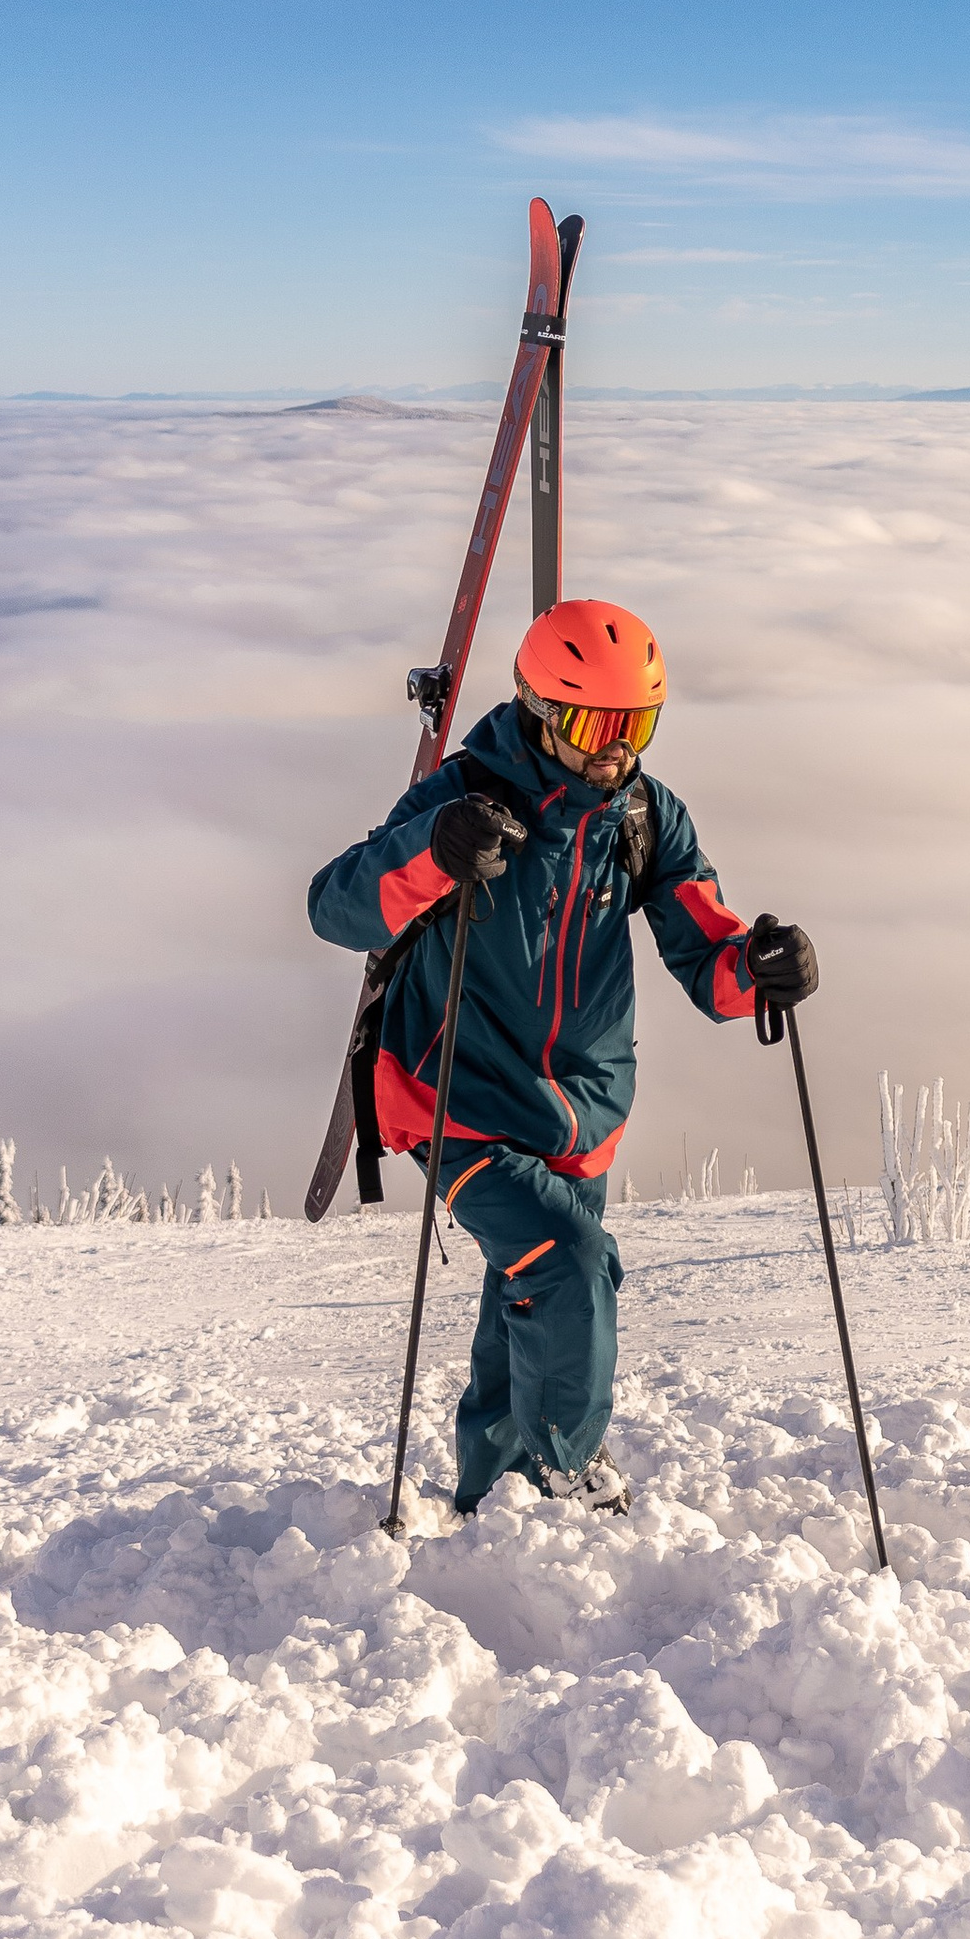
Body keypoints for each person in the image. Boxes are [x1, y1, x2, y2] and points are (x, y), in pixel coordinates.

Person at [308, 600, 816, 1516]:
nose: (615, 751)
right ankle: (567, 1476)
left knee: (527, 1306)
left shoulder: (643, 815)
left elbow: (705, 949)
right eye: (594, 726)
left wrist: (762, 970)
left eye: (636, 727)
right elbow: (335, 905)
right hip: (456, 1104)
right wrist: (435, 851)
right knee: (569, 1265)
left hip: (580, 1112)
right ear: (541, 711)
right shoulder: (468, 799)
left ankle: (490, 1504)